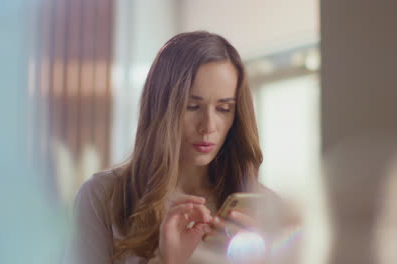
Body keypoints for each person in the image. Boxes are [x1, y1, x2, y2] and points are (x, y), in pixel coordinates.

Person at [64, 31, 290, 264]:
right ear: (161, 107)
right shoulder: (103, 196)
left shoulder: (267, 208)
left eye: (223, 109)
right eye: (192, 106)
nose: (208, 126)